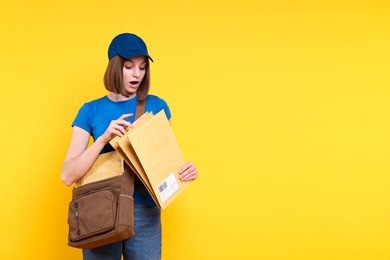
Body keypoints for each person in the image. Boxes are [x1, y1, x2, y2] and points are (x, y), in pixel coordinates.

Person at [61, 33, 198, 260]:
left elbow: (165, 169)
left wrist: (184, 173)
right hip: (101, 210)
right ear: (115, 67)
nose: (137, 74)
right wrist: (104, 139)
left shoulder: (157, 106)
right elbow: (67, 175)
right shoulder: (90, 111)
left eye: (142, 68)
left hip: (145, 213)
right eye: (129, 67)